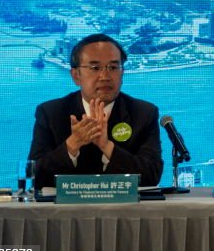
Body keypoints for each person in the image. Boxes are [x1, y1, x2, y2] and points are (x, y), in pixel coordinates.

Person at [28, 33, 163, 189]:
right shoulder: (50, 113)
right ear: (76, 75)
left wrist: (107, 146)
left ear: (122, 73)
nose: (105, 76)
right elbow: (36, 178)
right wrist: (73, 144)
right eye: (95, 68)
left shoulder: (143, 113)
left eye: (113, 67)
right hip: (67, 212)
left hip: (125, 211)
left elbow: (151, 176)